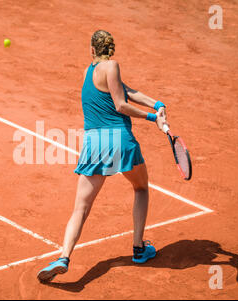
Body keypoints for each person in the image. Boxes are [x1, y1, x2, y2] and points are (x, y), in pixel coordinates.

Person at [37, 30, 167, 282]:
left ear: (92, 50)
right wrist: (153, 118)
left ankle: (63, 256)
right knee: (140, 188)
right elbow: (120, 104)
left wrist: (157, 104)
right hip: (120, 141)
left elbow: (127, 91)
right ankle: (139, 249)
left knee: (81, 208)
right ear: (112, 49)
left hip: (94, 144)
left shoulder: (91, 70)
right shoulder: (113, 66)